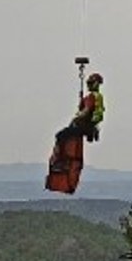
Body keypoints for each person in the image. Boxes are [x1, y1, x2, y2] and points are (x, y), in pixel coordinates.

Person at [45, 68, 106, 196]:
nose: (88, 85)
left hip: (83, 125)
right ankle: (61, 159)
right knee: (64, 135)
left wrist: (77, 117)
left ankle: (60, 158)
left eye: (90, 83)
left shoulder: (92, 97)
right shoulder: (97, 97)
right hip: (88, 126)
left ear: (95, 83)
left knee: (60, 135)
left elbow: (86, 111)